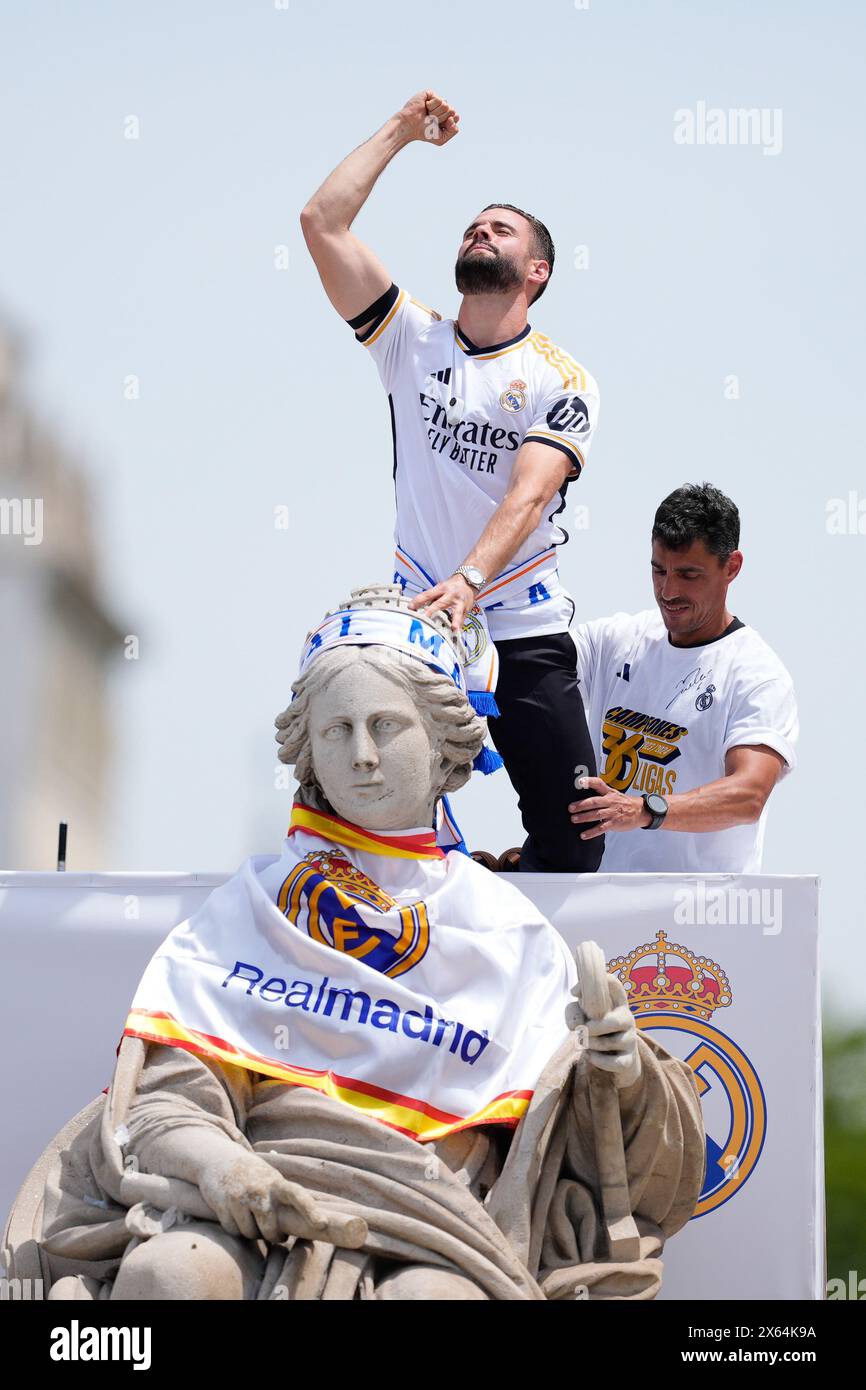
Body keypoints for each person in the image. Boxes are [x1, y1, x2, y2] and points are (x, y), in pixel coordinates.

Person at [22, 586, 704, 1302]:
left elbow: (580, 1151)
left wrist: (619, 1072)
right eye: (337, 730)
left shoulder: (510, 929)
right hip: (253, 1203)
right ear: (308, 751)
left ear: (443, 741)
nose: (363, 756)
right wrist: (223, 1167)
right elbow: (166, 1102)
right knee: (172, 1272)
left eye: (386, 725)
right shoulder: (252, 908)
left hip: (438, 1224)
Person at [300, 88, 603, 873]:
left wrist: (470, 581)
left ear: (536, 270)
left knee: (576, 842)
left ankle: (493, 897)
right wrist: (401, 131)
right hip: (414, 624)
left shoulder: (562, 378)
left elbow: (529, 495)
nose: (479, 232)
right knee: (359, 812)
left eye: (499, 229)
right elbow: (322, 222)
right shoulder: (411, 338)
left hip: (520, 624)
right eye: (473, 225)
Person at [567, 484, 799, 872]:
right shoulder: (614, 640)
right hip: (598, 899)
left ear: (732, 567)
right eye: (659, 570)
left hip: (697, 907)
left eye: (689, 574)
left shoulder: (758, 675)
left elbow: (749, 794)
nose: (668, 591)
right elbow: (527, 672)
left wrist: (644, 810)